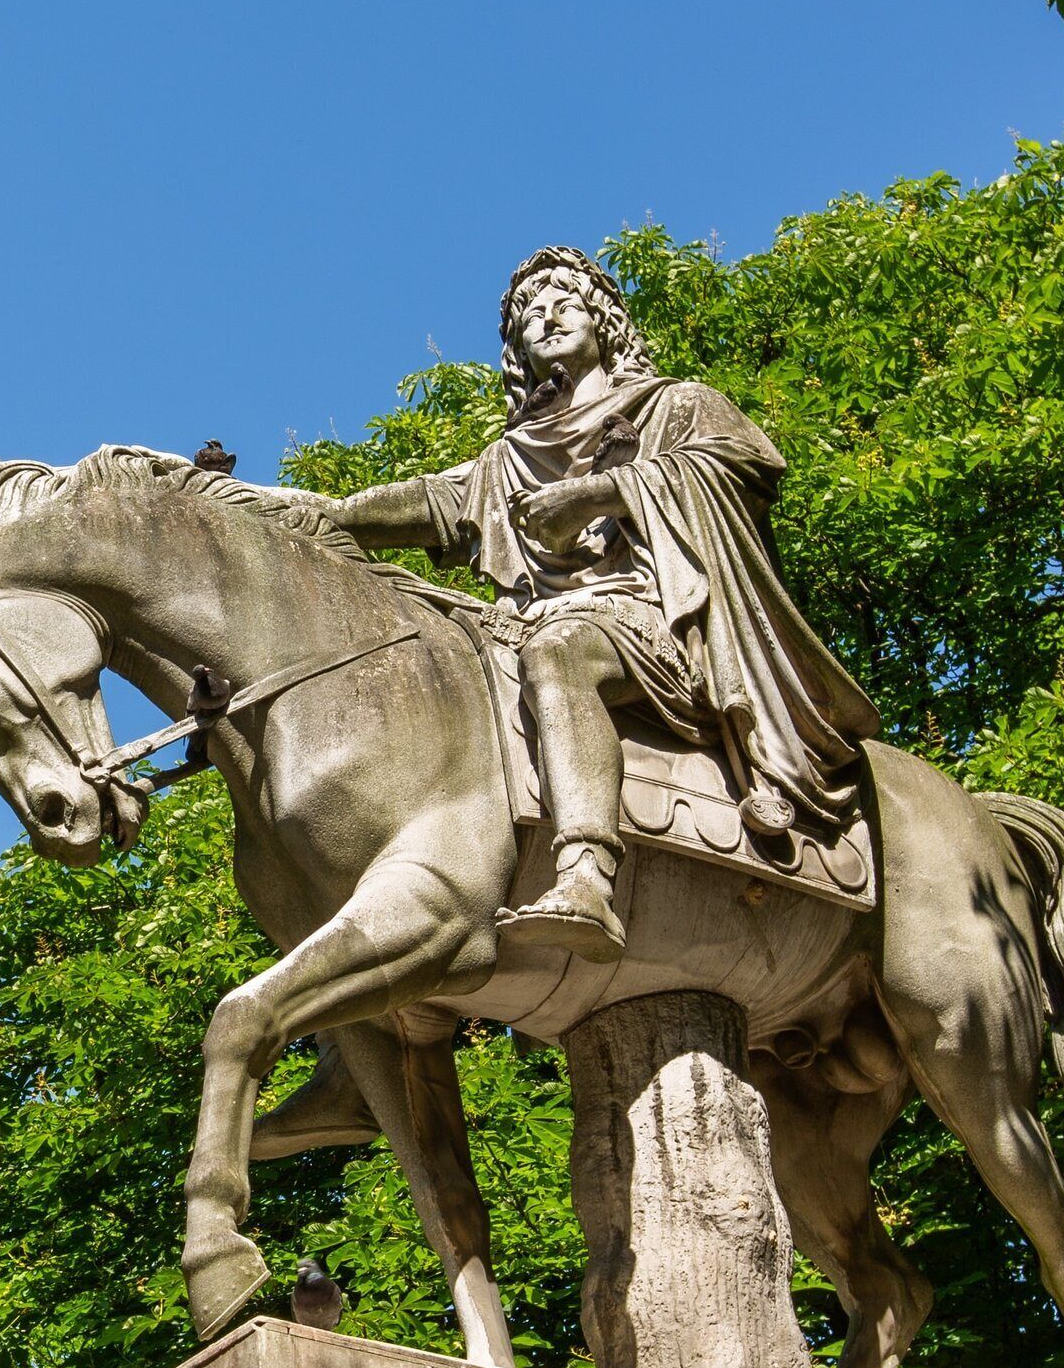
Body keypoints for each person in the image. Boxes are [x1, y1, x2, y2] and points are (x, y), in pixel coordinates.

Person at [327, 248, 877, 959]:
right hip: (531, 624)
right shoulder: (508, 457)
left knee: (559, 650)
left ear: (605, 322)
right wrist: (303, 514)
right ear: (518, 351)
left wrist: (602, 491)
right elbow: (427, 501)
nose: (545, 316)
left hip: (660, 623)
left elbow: (745, 465)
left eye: (565, 302)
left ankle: (587, 873)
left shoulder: (675, 405)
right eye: (528, 314)